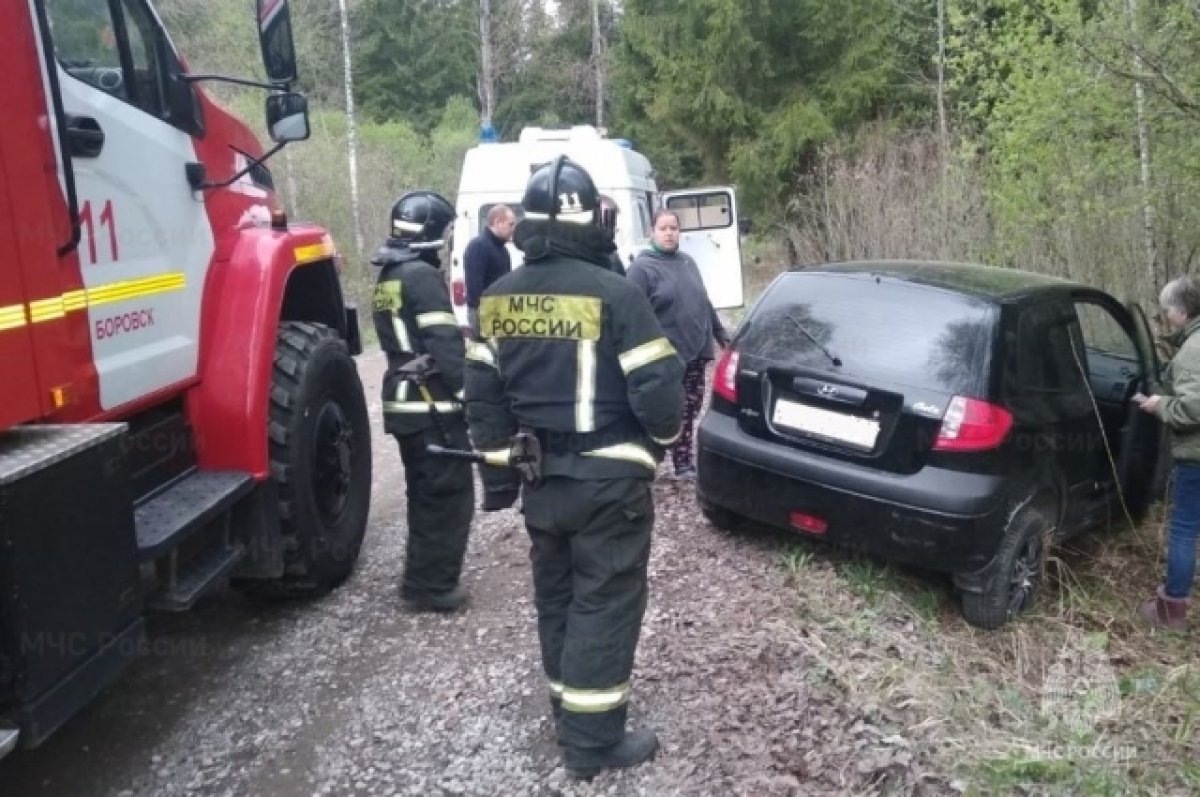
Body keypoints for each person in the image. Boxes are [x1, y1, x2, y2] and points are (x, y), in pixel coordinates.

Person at [464, 156, 684, 778]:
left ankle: (568, 712)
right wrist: (661, 444)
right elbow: (660, 393)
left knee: (556, 595)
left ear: (526, 223)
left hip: (541, 484)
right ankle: (592, 743)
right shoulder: (617, 293)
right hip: (609, 483)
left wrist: (501, 480)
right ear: (593, 220)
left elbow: (483, 401)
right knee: (605, 601)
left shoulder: (497, 300)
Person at [371, 191, 474, 612]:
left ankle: (420, 579)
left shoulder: (390, 277)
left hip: (403, 402)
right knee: (448, 497)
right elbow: (445, 342)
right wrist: (469, 394)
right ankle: (433, 587)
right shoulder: (421, 277)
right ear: (432, 233)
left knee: (423, 494)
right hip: (430, 404)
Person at [626, 209, 731, 480]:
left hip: (696, 350)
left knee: (690, 407)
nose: (670, 233)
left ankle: (682, 461)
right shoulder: (642, 268)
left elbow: (704, 301)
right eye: (663, 228)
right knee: (662, 410)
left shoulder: (688, 262)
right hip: (662, 357)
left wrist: (721, 334)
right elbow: (630, 314)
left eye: (674, 228)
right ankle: (647, 461)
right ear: (653, 232)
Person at [1135, 275, 1200, 630]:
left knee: (1184, 530)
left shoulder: (1193, 350)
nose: (1165, 317)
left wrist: (1160, 405)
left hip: (1196, 458)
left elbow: (1192, 410)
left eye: (1167, 311)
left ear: (1180, 311)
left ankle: (1171, 608)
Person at [465, 204, 517, 337]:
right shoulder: (478, 246)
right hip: (484, 314)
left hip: (499, 313)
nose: (514, 229)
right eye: (511, 224)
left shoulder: (503, 250)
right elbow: (476, 288)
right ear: (498, 222)